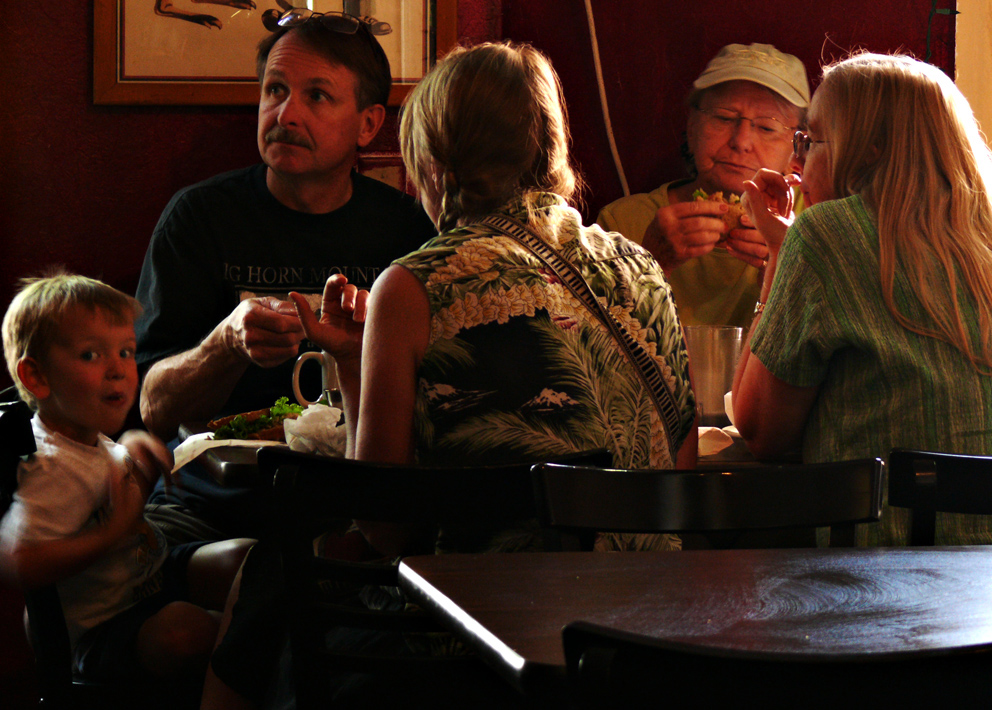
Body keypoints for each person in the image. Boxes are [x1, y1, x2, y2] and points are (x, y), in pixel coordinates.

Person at [201, 40, 698, 709]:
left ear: (433, 161)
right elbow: (683, 471)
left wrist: (355, 358)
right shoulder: (640, 268)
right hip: (644, 643)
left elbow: (384, 527)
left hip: (477, 652)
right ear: (549, 145)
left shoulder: (413, 285)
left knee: (269, 589)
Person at [135, 9, 437, 543]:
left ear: (368, 124)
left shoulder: (406, 229)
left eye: (316, 96)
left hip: (351, 501)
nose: (286, 113)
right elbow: (151, 408)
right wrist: (226, 343)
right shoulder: (199, 217)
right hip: (214, 503)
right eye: (275, 90)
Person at [732, 53, 992, 545]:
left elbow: (761, 431)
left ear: (869, 151)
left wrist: (779, 254)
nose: (796, 160)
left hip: (881, 583)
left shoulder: (828, 235)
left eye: (811, 141)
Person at [0, 271, 253, 682]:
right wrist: (112, 531)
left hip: (145, 577)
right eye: (90, 355)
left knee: (245, 558)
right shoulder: (49, 467)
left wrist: (130, 445)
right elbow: (18, 561)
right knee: (186, 631)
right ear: (36, 377)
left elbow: (101, 468)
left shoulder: (81, 434)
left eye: (125, 352)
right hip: (103, 628)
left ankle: (243, 644)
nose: (118, 370)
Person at [597, 43, 810, 328]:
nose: (741, 141)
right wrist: (652, 264)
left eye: (766, 127)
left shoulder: (813, 222)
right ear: (692, 124)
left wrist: (783, 276)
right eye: (723, 118)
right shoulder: (624, 222)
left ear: (796, 147)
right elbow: (595, 345)